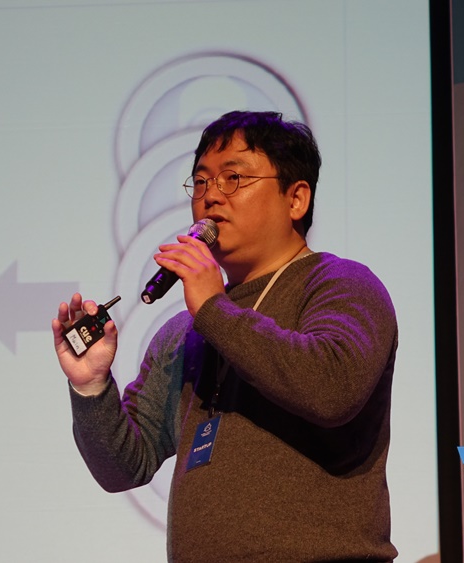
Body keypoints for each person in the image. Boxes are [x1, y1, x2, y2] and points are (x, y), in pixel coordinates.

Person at [53, 111, 398, 561]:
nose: (211, 196)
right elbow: (123, 466)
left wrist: (213, 309)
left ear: (296, 199)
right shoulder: (184, 333)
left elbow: (332, 389)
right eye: (200, 182)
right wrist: (91, 386)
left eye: (233, 178)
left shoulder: (341, 284)